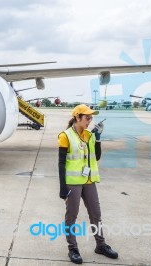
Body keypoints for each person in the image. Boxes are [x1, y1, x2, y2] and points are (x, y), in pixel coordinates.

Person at [58, 104, 118, 264]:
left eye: (91, 117)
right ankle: (73, 249)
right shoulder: (65, 136)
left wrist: (97, 137)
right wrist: (62, 188)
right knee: (71, 216)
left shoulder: (89, 136)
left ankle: (101, 245)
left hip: (89, 181)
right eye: (87, 117)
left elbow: (96, 157)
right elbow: (61, 163)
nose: (90, 120)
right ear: (77, 118)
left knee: (96, 214)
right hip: (73, 183)